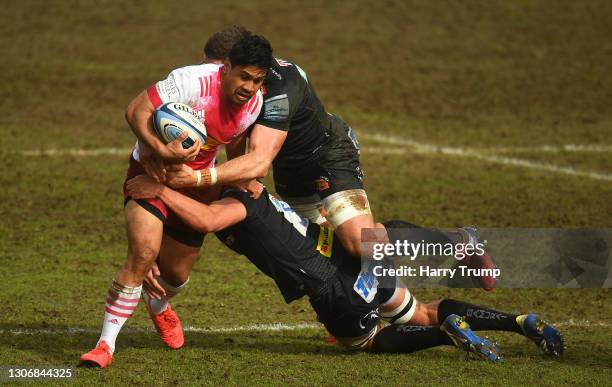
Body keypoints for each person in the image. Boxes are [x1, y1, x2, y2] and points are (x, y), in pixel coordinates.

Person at [121, 175, 563, 363]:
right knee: (417, 305)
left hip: (328, 281)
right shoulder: (248, 185)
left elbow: (203, 220)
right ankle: (518, 321)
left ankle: (446, 330)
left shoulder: (236, 203)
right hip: (348, 252)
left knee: (364, 340)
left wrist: (156, 186)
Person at [79, 35, 273, 368]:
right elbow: (137, 109)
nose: (249, 86)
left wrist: (242, 177)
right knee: (143, 253)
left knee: (176, 274)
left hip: (196, 187)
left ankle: (157, 306)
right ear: (226, 68)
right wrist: (157, 148)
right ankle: (104, 346)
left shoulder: (253, 104)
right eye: (243, 76)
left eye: (257, 80)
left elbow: (235, 142)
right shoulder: (191, 81)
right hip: (150, 173)